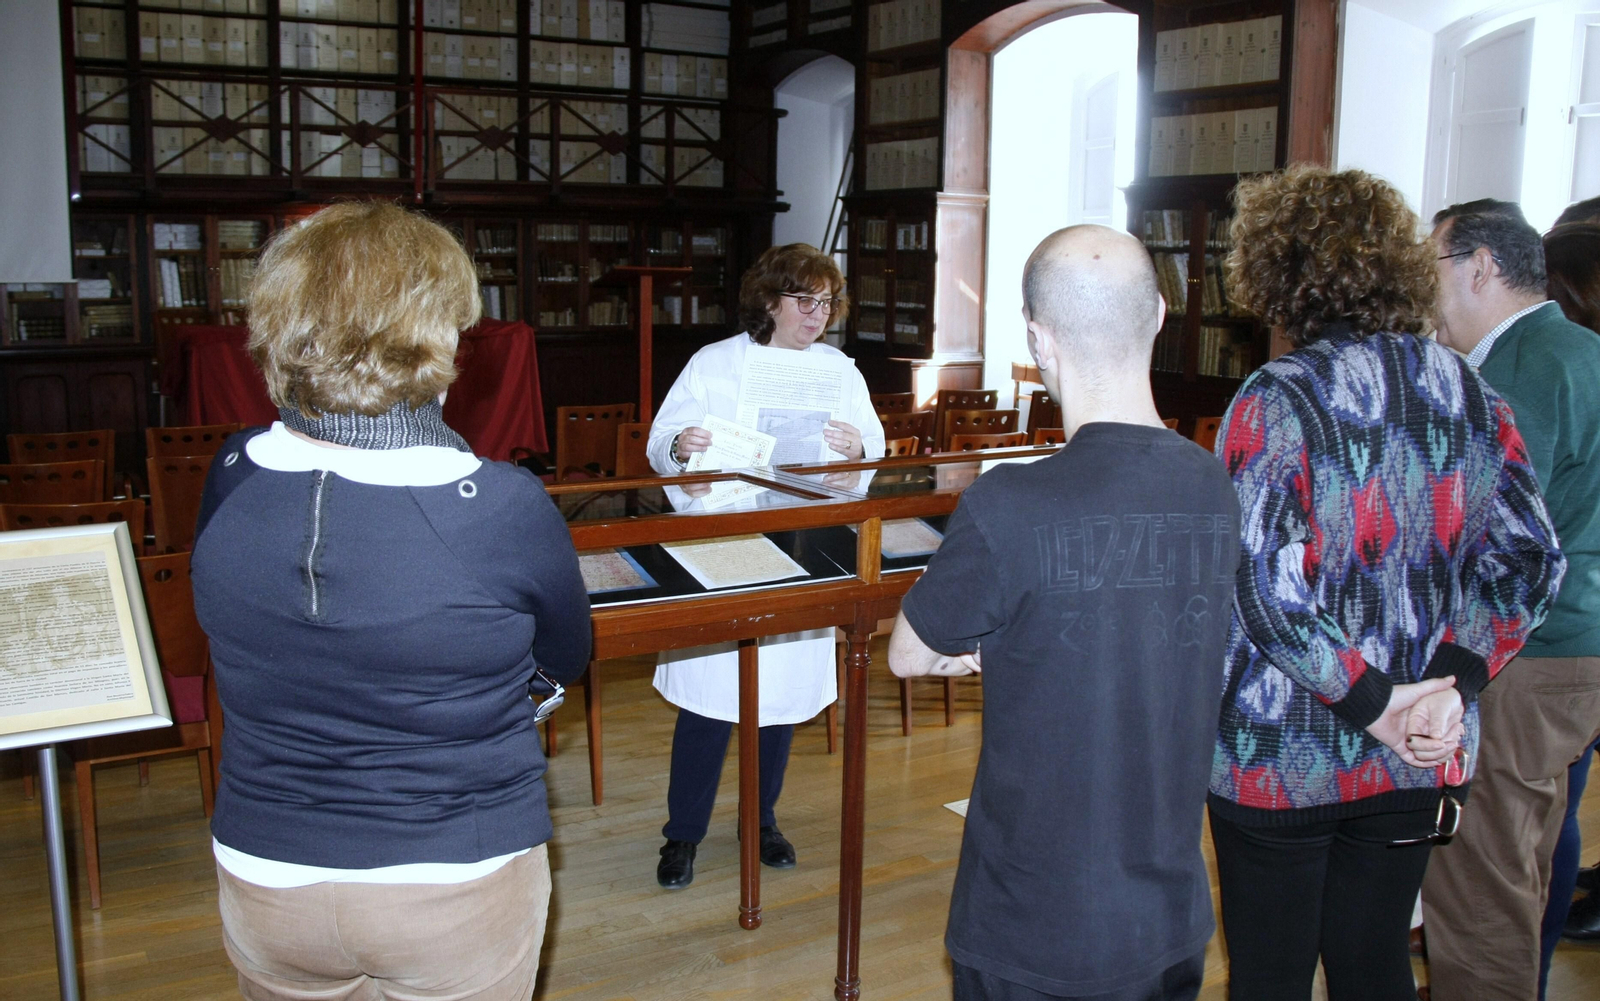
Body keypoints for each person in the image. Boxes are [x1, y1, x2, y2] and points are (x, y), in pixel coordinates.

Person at [191, 202, 592, 1001]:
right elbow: (565, 656)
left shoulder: (233, 471)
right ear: (437, 334)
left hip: (268, 873)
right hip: (453, 875)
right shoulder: (498, 504)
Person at [1207, 167, 1564, 1001]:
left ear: (1275, 271)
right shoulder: (1470, 390)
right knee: (1375, 966)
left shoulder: (1277, 395)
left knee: (1270, 978)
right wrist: (1450, 685)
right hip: (1423, 746)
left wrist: (1376, 702)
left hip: (1284, 748)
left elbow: (1262, 588)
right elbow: (1531, 557)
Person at [888, 224, 1239, 1001]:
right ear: (1155, 315)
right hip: (1168, 914)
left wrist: (982, 650)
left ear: (1039, 341)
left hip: (1031, 922)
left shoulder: (1009, 502)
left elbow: (909, 653)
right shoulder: (1212, 483)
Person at [645, 242, 885, 889]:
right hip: (726, 542)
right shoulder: (716, 362)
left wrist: (858, 445)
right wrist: (680, 444)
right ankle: (682, 834)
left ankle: (762, 819)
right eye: (805, 300)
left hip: (800, 545)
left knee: (777, 697)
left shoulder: (838, 369)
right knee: (711, 697)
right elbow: (663, 438)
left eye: (827, 302)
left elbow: (873, 445)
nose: (818, 314)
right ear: (770, 299)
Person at [1420, 199, 1600, 1001]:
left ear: (1480, 268)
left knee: (1477, 876)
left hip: (1527, 653)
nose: (1426, 294)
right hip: (1580, 644)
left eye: (1433, 269)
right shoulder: (1584, 350)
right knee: (1523, 853)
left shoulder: (1521, 367)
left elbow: (1487, 534)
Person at [1539, 220, 1600, 960]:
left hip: (1563, 629)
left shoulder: (1561, 369)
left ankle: (1523, 958)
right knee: (1558, 804)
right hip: (1586, 624)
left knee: (1538, 816)